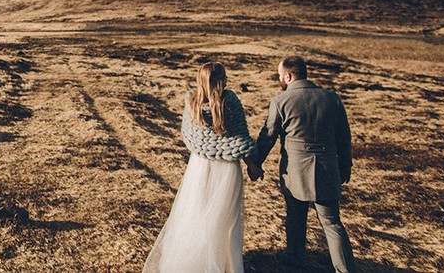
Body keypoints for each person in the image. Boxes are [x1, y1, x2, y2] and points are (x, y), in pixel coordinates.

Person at [144, 62, 263, 273]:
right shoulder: (230, 101)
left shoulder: (192, 101)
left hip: (199, 167)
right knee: (225, 219)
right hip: (226, 170)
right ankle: (226, 265)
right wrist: (253, 166)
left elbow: (191, 137)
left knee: (196, 213)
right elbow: (239, 139)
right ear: (223, 80)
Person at [252, 55, 356, 272]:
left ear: (288, 76)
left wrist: (255, 163)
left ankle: (295, 256)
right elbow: (344, 138)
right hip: (328, 170)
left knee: (295, 215)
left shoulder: (281, 101)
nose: (279, 79)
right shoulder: (332, 98)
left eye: (280, 76)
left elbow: (267, 137)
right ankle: (345, 269)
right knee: (332, 223)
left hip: (295, 172)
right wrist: (345, 167)